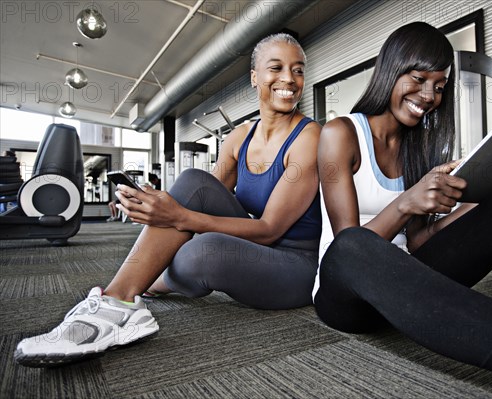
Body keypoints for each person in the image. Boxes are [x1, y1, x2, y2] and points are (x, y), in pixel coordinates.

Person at [313, 22, 492, 396]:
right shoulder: (339, 134)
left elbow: (419, 242)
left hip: (411, 289)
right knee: (352, 245)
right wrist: (405, 202)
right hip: (348, 296)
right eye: (418, 79)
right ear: (391, 70)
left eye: (439, 86)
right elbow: (347, 243)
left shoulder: (420, 148)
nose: (429, 95)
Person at [14, 33, 321, 367]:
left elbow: (269, 229)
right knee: (191, 181)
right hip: (255, 248)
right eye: (276, 68)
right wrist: (152, 204)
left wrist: (176, 216)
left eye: (298, 70)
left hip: (296, 266)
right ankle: (118, 302)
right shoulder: (239, 137)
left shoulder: (310, 137)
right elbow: (200, 195)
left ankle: (147, 285)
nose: (289, 79)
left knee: (201, 254)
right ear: (254, 77)